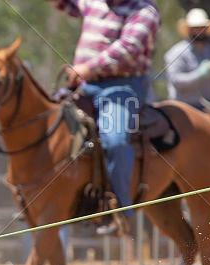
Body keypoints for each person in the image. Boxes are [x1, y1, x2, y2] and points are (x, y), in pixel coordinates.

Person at [53, 0, 162, 236]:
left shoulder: (144, 12)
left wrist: (86, 68)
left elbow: (127, 50)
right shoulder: (94, 2)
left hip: (121, 87)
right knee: (49, 122)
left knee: (115, 140)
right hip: (85, 86)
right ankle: (39, 195)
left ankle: (119, 208)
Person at [163, 8, 210, 113]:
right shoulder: (176, 53)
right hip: (182, 109)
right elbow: (175, 80)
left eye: (202, 27)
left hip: (207, 108)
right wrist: (198, 74)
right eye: (196, 28)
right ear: (189, 30)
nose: (200, 31)